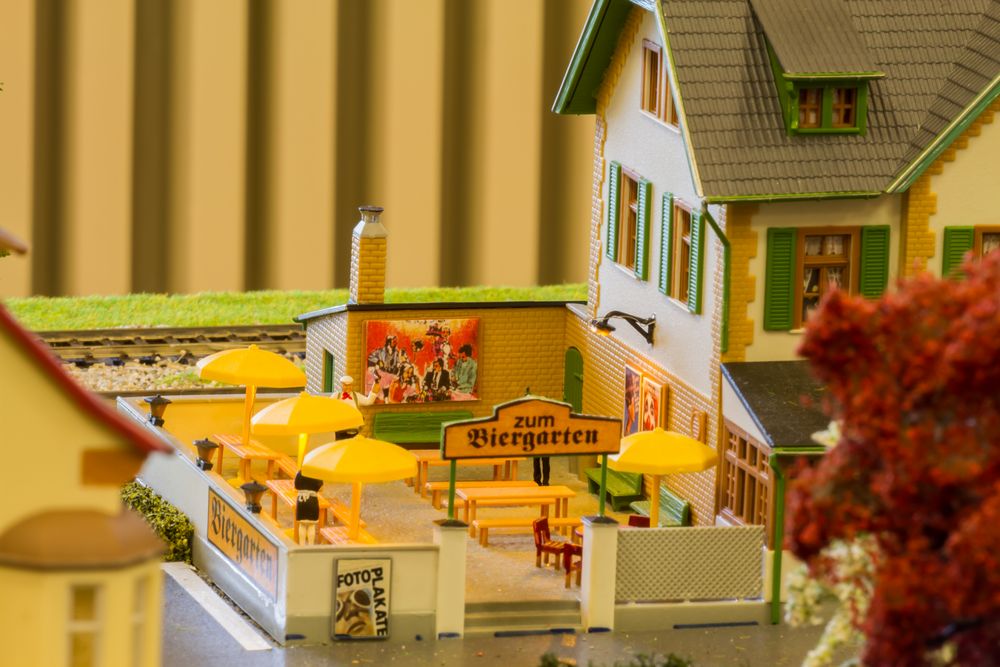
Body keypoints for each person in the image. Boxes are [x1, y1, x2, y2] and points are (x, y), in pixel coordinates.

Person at [294, 471, 324, 545]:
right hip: (312, 500)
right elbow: (321, 489)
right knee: (311, 525)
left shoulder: (299, 473)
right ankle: (310, 546)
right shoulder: (316, 473)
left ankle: (301, 546)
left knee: (302, 524)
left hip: (301, 500)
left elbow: (296, 486)